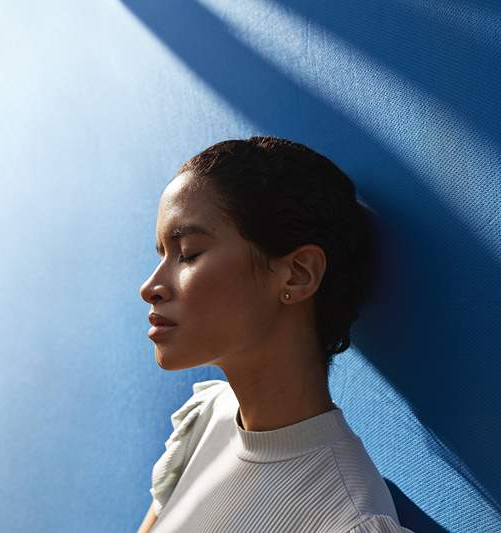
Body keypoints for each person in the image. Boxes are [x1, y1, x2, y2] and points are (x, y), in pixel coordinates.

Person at [137, 136, 412, 532]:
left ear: (298, 274)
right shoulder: (207, 419)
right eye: (161, 253)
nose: (150, 287)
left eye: (189, 253)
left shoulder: (346, 521)